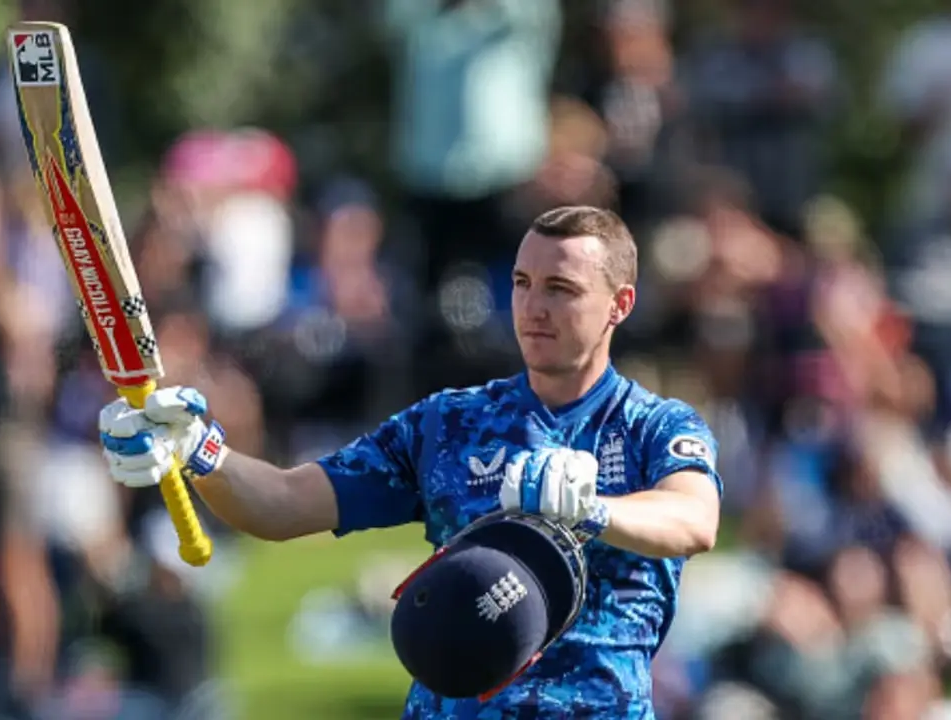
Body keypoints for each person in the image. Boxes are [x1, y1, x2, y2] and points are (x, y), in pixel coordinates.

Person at [97, 205, 724, 718]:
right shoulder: (450, 424)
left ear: (620, 304)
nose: (534, 308)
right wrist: (197, 449)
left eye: (562, 289)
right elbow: (285, 504)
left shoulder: (653, 426)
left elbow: (694, 519)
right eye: (522, 283)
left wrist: (593, 510)